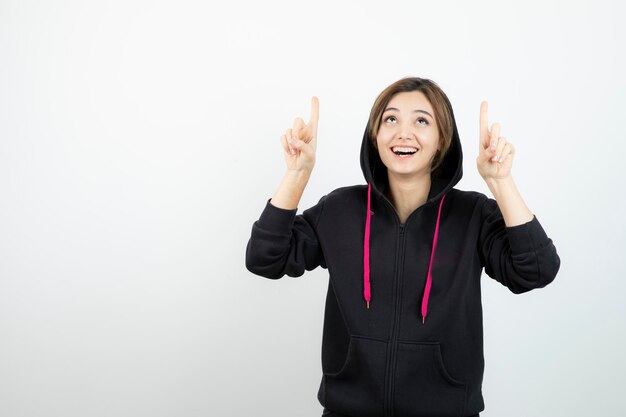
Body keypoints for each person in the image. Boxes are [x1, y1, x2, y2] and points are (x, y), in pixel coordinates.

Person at [245, 77, 560, 417]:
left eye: (421, 121)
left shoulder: (473, 215)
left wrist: (501, 181)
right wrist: (297, 174)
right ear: (375, 136)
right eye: (390, 119)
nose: (403, 133)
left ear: (442, 141)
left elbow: (536, 271)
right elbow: (265, 259)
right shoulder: (339, 210)